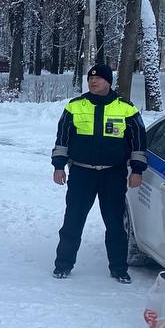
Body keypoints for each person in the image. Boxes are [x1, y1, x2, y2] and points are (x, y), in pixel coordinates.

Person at [51, 62, 147, 282]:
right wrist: (58, 166)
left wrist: (137, 171)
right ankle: (63, 264)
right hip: (82, 174)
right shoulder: (75, 106)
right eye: (90, 79)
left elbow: (139, 142)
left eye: (98, 79)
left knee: (115, 223)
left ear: (109, 82)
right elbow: (62, 139)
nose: (93, 81)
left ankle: (119, 269)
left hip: (113, 174)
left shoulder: (126, 108)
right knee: (73, 220)